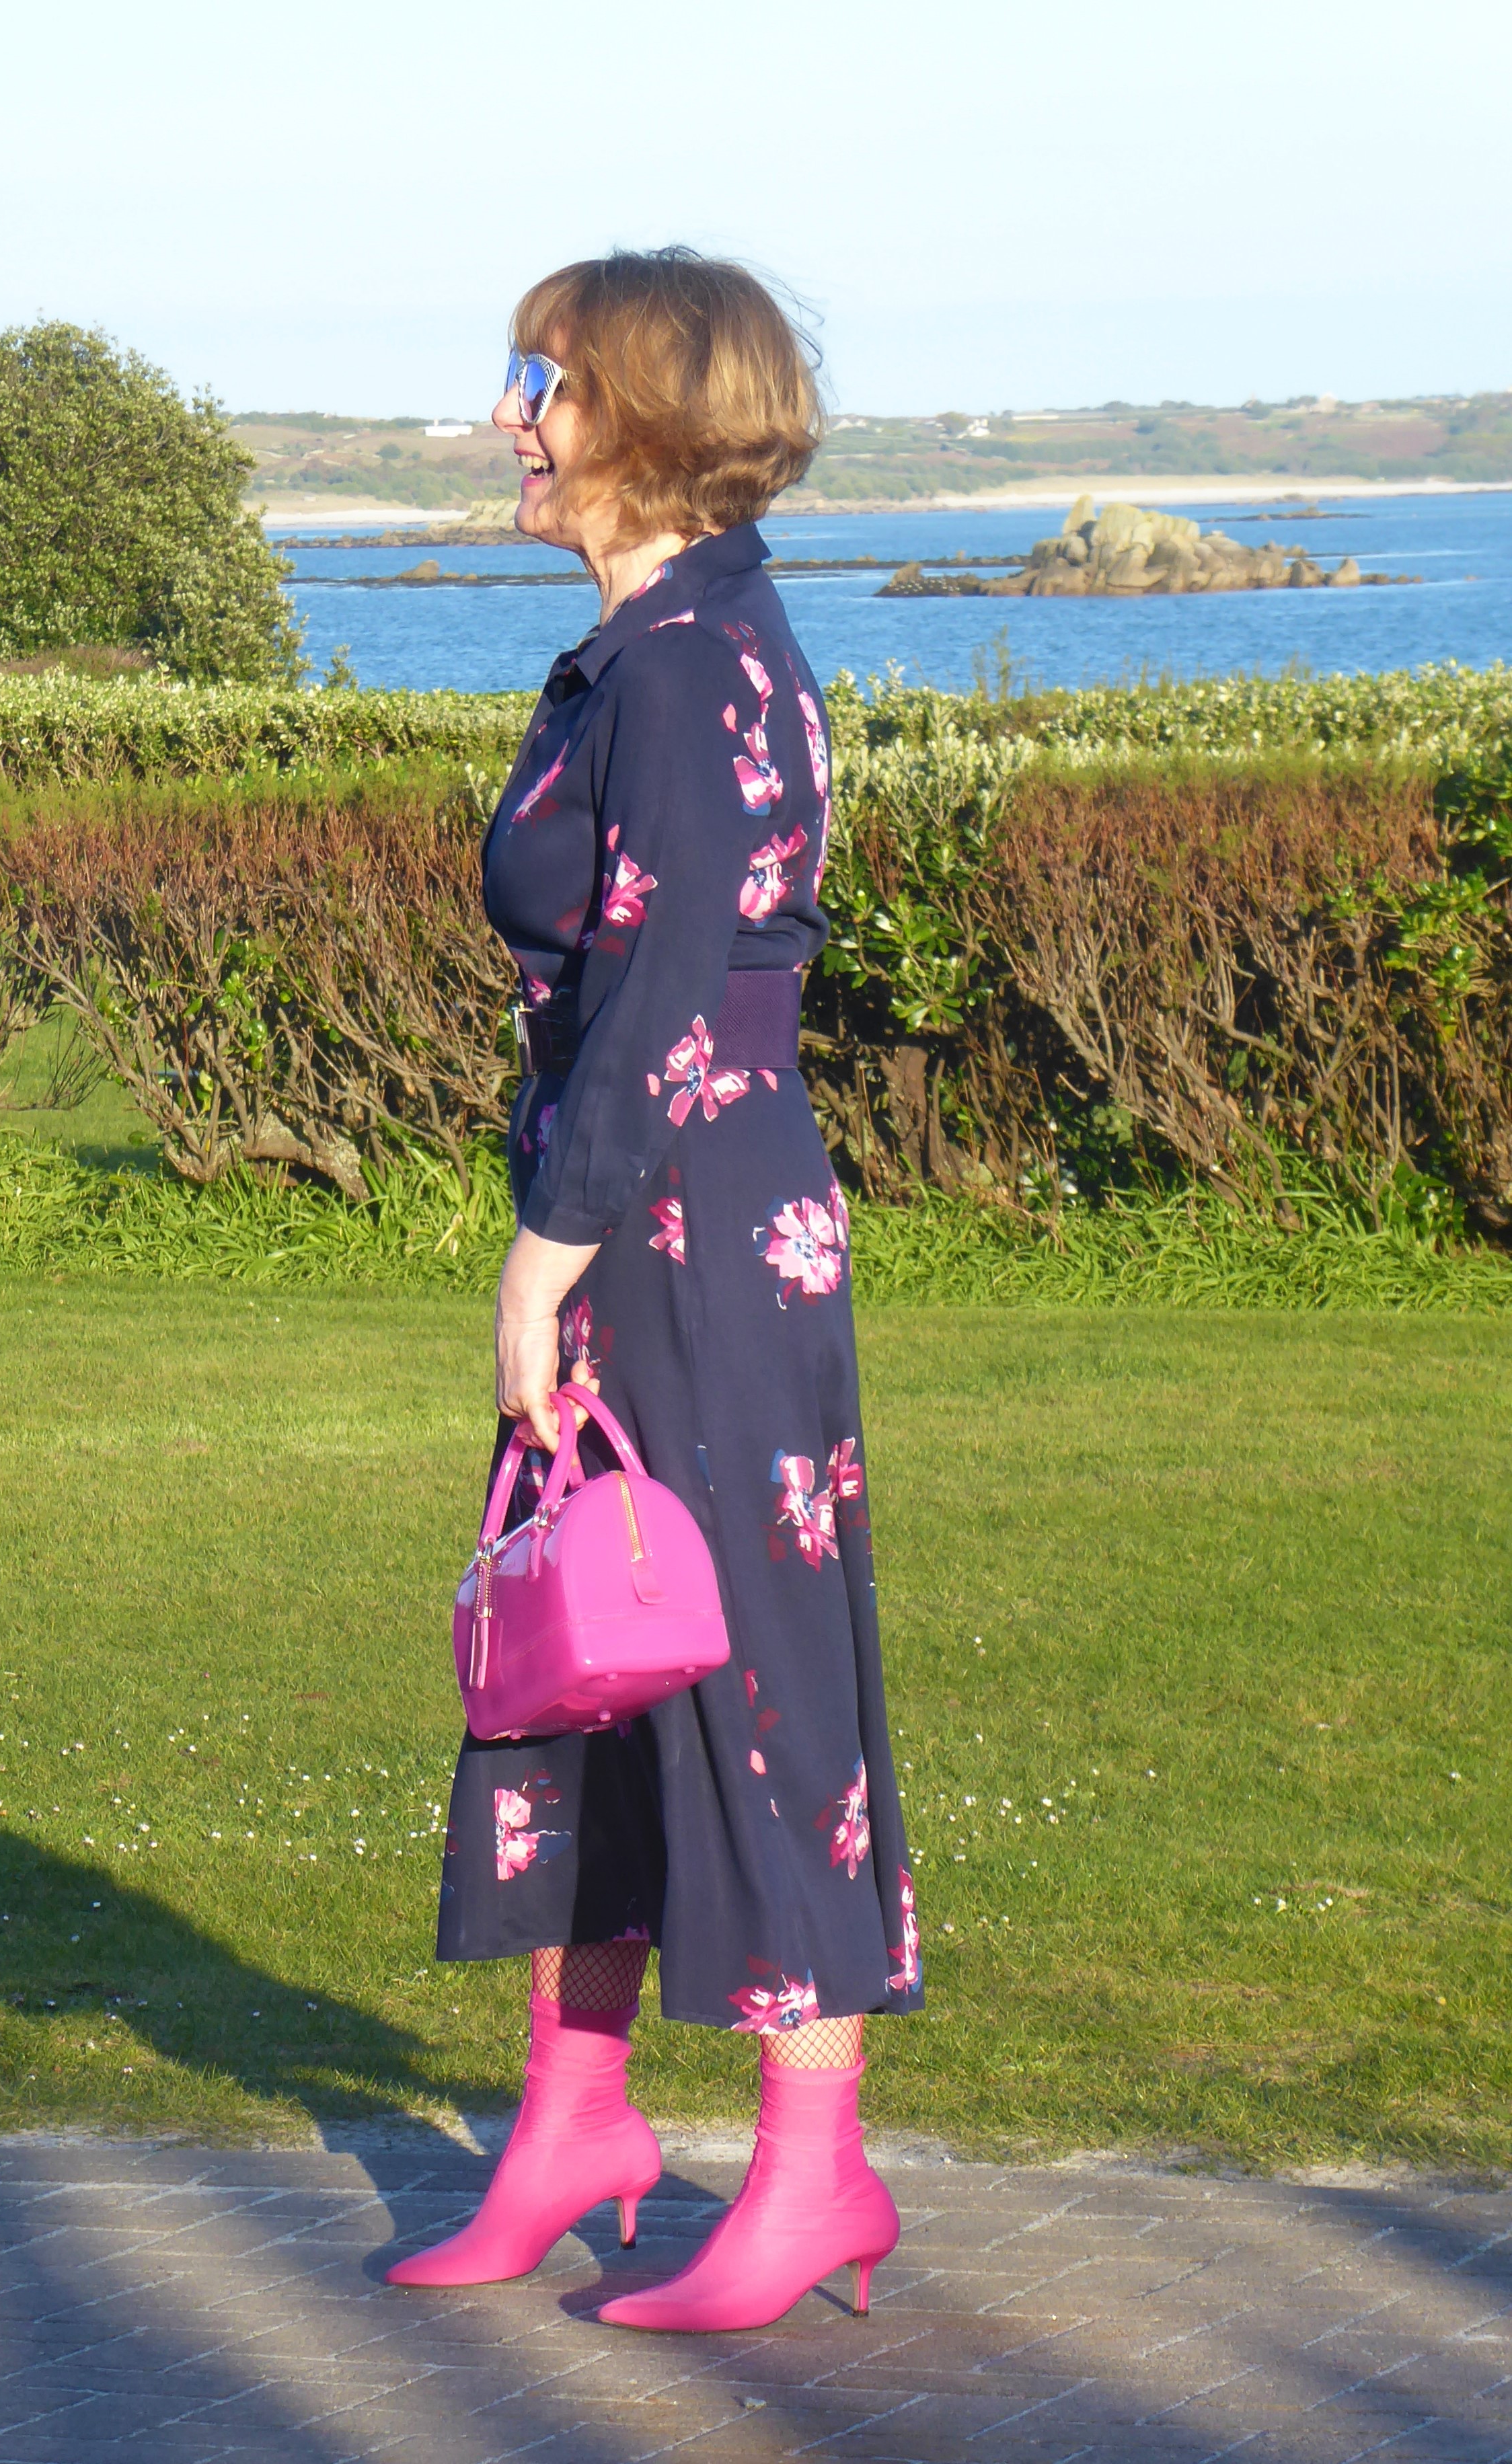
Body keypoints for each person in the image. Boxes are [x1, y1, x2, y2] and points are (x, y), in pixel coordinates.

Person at [387, 249, 923, 2332]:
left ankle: (813, 2169)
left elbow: (670, 1000)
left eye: (537, 379)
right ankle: (575, 2124)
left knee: (744, 1677)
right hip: (638, 1204)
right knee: (576, 1655)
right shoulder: (649, 647)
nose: (505, 416)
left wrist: (543, 1255)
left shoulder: (692, 665)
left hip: (681, 1217)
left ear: (637, 409)